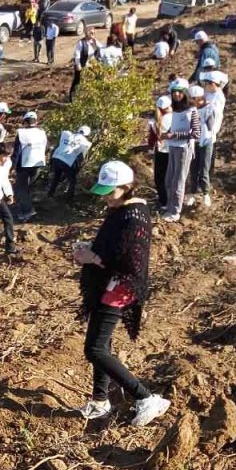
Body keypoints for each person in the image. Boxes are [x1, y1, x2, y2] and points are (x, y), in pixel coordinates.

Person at [73, 160, 168, 425]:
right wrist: (90, 251)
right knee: (102, 345)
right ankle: (100, 401)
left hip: (118, 288)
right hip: (110, 284)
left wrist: (90, 257)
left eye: (110, 192)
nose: (106, 199)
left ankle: (146, 398)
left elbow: (126, 260)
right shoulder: (120, 209)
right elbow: (110, 247)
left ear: (126, 187)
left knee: (94, 349)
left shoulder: (132, 215)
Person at [161, 81, 200, 223]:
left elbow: (196, 133)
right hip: (172, 146)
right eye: (174, 92)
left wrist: (175, 135)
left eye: (180, 91)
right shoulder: (176, 110)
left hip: (184, 148)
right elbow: (175, 127)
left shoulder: (191, 110)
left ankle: (175, 211)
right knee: (169, 179)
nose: (177, 94)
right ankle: (170, 206)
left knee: (178, 180)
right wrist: (167, 133)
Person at [188, 78, 223, 209]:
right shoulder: (190, 109)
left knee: (204, 168)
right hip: (194, 141)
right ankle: (192, 193)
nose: (192, 101)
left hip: (206, 141)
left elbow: (211, 126)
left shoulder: (209, 108)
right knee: (193, 167)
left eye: (193, 99)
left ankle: (205, 194)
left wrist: (201, 121)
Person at [13, 111, 48, 223]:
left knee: (21, 188)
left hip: (24, 164)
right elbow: (46, 147)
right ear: (36, 121)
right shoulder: (42, 132)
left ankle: (27, 212)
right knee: (29, 186)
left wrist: (12, 166)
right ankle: (27, 207)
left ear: (25, 122)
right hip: (38, 163)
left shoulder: (21, 133)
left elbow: (17, 152)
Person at [47, 125, 91, 198]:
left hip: (56, 158)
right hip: (66, 161)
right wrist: (77, 168)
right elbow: (81, 157)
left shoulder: (67, 135)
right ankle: (69, 198)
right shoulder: (85, 143)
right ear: (88, 135)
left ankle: (50, 194)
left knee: (56, 177)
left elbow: (58, 146)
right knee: (72, 181)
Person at [150, 94, 172, 208]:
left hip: (161, 151)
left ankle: (163, 201)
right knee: (171, 177)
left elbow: (152, 139)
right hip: (173, 151)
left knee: (160, 178)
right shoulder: (175, 118)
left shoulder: (155, 121)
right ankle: (170, 201)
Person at [70, 27, 100, 101]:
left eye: (94, 33)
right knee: (77, 82)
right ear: (87, 33)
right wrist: (78, 65)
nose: (93, 34)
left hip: (92, 66)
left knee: (93, 82)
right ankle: (72, 98)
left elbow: (102, 48)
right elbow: (77, 55)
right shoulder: (81, 42)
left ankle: (89, 98)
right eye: (91, 33)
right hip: (82, 65)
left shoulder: (95, 41)